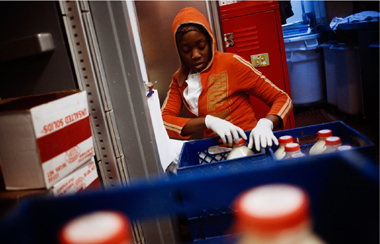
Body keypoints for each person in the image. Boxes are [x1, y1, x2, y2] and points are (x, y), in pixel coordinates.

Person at [161, 7, 293, 152]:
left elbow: (282, 98)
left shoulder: (231, 64)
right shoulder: (179, 80)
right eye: (186, 50)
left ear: (210, 41)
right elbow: (164, 121)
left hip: (249, 147)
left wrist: (267, 123)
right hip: (215, 153)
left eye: (201, 46)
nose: (195, 55)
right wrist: (207, 121)